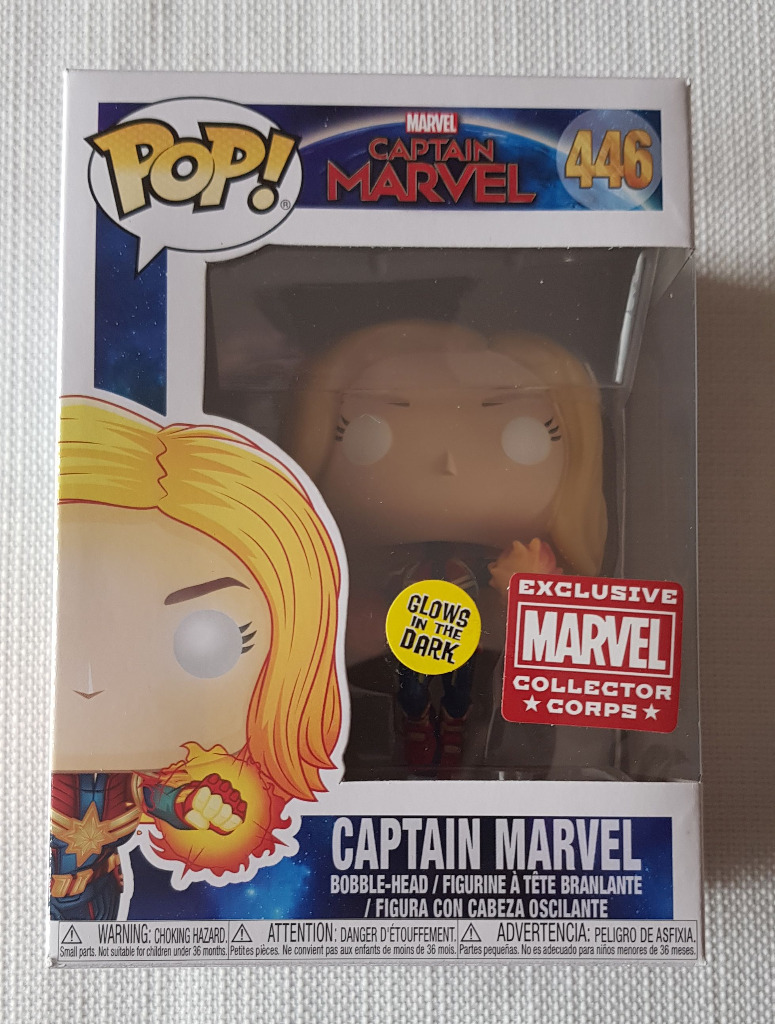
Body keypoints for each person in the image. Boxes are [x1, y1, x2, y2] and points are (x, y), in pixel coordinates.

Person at [51, 397, 343, 919]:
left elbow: (157, 797)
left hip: (96, 900)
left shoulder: (126, 781)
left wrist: (196, 805)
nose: (92, 683)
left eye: (208, 641)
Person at [289, 320, 606, 774]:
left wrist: (525, 590)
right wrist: (357, 622)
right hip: (383, 681)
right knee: (410, 688)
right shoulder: (364, 562)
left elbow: (559, 646)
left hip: (493, 697)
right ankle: (420, 723)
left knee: (463, 692)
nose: (447, 462)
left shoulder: (518, 557)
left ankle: (453, 724)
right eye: (364, 431)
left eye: (521, 432)